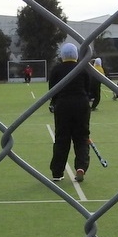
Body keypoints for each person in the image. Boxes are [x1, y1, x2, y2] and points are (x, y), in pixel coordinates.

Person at [48, 43, 91, 182]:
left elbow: (52, 90)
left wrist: (55, 103)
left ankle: (57, 172)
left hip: (63, 105)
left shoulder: (56, 70)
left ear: (62, 55)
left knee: (61, 139)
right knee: (82, 138)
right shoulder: (83, 68)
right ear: (76, 55)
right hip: (81, 105)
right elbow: (88, 88)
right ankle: (81, 167)